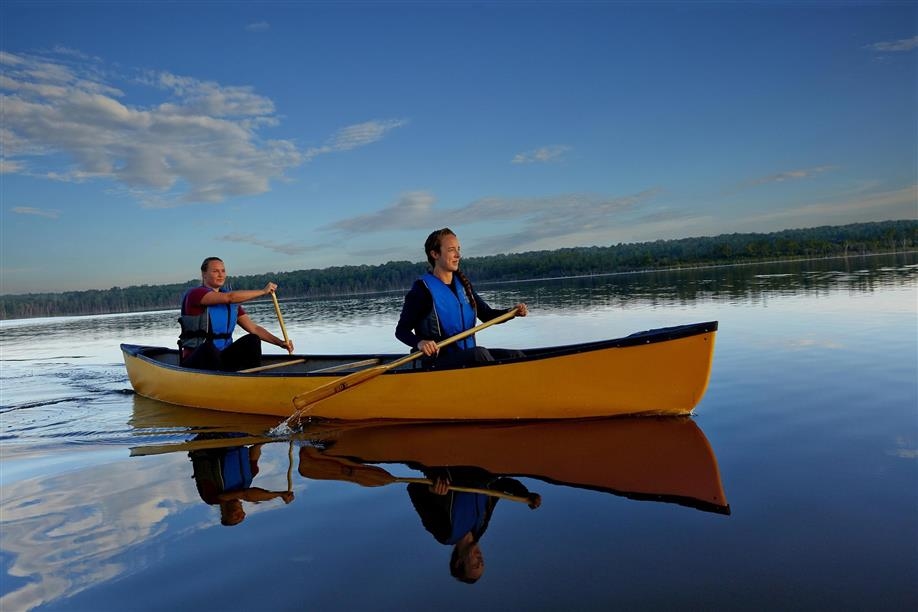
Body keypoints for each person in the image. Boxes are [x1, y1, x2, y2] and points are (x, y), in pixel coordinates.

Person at [395, 228, 528, 368]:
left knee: (515, 355)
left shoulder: (463, 286)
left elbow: (487, 315)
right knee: (479, 354)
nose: (458, 255)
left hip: (468, 357)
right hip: (437, 363)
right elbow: (401, 331)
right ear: (435, 254)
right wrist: (420, 343)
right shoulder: (421, 291)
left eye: (458, 249)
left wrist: (512, 312)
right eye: (451, 250)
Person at [407, 467, 540, 583]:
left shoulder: (445, 533)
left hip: (453, 466)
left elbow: (414, 489)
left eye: (476, 564)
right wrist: (526, 495)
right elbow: (502, 485)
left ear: (459, 562)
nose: (480, 559)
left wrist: (432, 490)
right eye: (482, 563)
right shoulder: (481, 526)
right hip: (483, 468)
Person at [179, 257, 293, 371]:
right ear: (204, 274)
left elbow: (254, 328)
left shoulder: (231, 304)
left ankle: (253, 377)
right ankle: (222, 377)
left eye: (223, 271)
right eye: (215, 271)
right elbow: (230, 298)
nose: (220, 275)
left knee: (252, 339)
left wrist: (280, 342)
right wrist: (263, 291)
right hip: (197, 360)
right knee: (208, 348)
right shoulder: (196, 294)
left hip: (222, 357)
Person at [189, 439, 295, 527]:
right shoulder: (248, 476)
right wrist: (266, 439)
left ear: (223, 514)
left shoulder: (212, 498)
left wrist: (279, 494)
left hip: (213, 440)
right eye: (242, 516)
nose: (241, 515)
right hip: (235, 438)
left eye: (235, 517)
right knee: (253, 470)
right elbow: (255, 449)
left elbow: (245, 494)